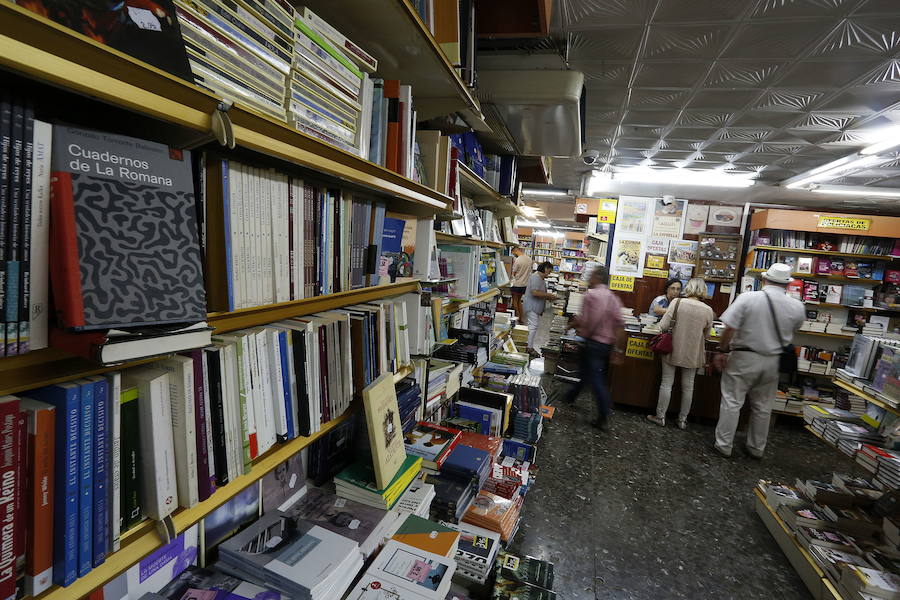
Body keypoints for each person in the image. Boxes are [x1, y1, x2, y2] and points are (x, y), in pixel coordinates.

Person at [712, 263, 805, 458]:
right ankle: (756, 448)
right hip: (773, 360)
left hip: (744, 356)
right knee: (763, 406)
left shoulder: (748, 298)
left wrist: (721, 350)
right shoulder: (797, 306)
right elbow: (795, 329)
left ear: (764, 280)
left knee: (732, 401)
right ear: (787, 285)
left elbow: (730, 328)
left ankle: (724, 445)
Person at [562, 266, 626, 430]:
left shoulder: (591, 295)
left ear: (598, 277)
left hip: (592, 343)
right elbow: (620, 325)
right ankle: (570, 396)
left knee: (596, 379)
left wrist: (571, 327)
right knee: (588, 373)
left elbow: (585, 320)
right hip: (606, 345)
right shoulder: (614, 298)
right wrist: (618, 349)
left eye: (591, 276)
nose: (589, 279)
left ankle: (604, 414)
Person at [647, 278, 715, 430]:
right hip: (693, 352)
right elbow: (708, 336)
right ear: (703, 291)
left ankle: (660, 416)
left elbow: (663, 325)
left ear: (688, 288)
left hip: (672, 349)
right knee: (688, 387)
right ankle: (682, 420)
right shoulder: (708, 310)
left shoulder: (677, 303)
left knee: (666, 383)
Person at [523, 261, 556, 357]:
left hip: (535, 306)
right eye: (549, 272)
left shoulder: (540, 278)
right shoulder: (536, 277)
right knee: (533, 326)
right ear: (545, 269)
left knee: (532, 326)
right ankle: (529, 347)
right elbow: (535, 292)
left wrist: (548, 297)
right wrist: (548, 295)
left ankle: (529, 346)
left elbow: (539, 292)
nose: (548, 275)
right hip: (532, 306)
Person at [509, 246, 533, 322]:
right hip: (524, 284)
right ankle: (521, 318)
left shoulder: (518, 260)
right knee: (519, 301)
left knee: (515, 301)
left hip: (516, 284)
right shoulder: (529, 259)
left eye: (513, 253)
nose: (513, 255)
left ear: (515, 251)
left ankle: (517, 317)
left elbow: (514, 273)